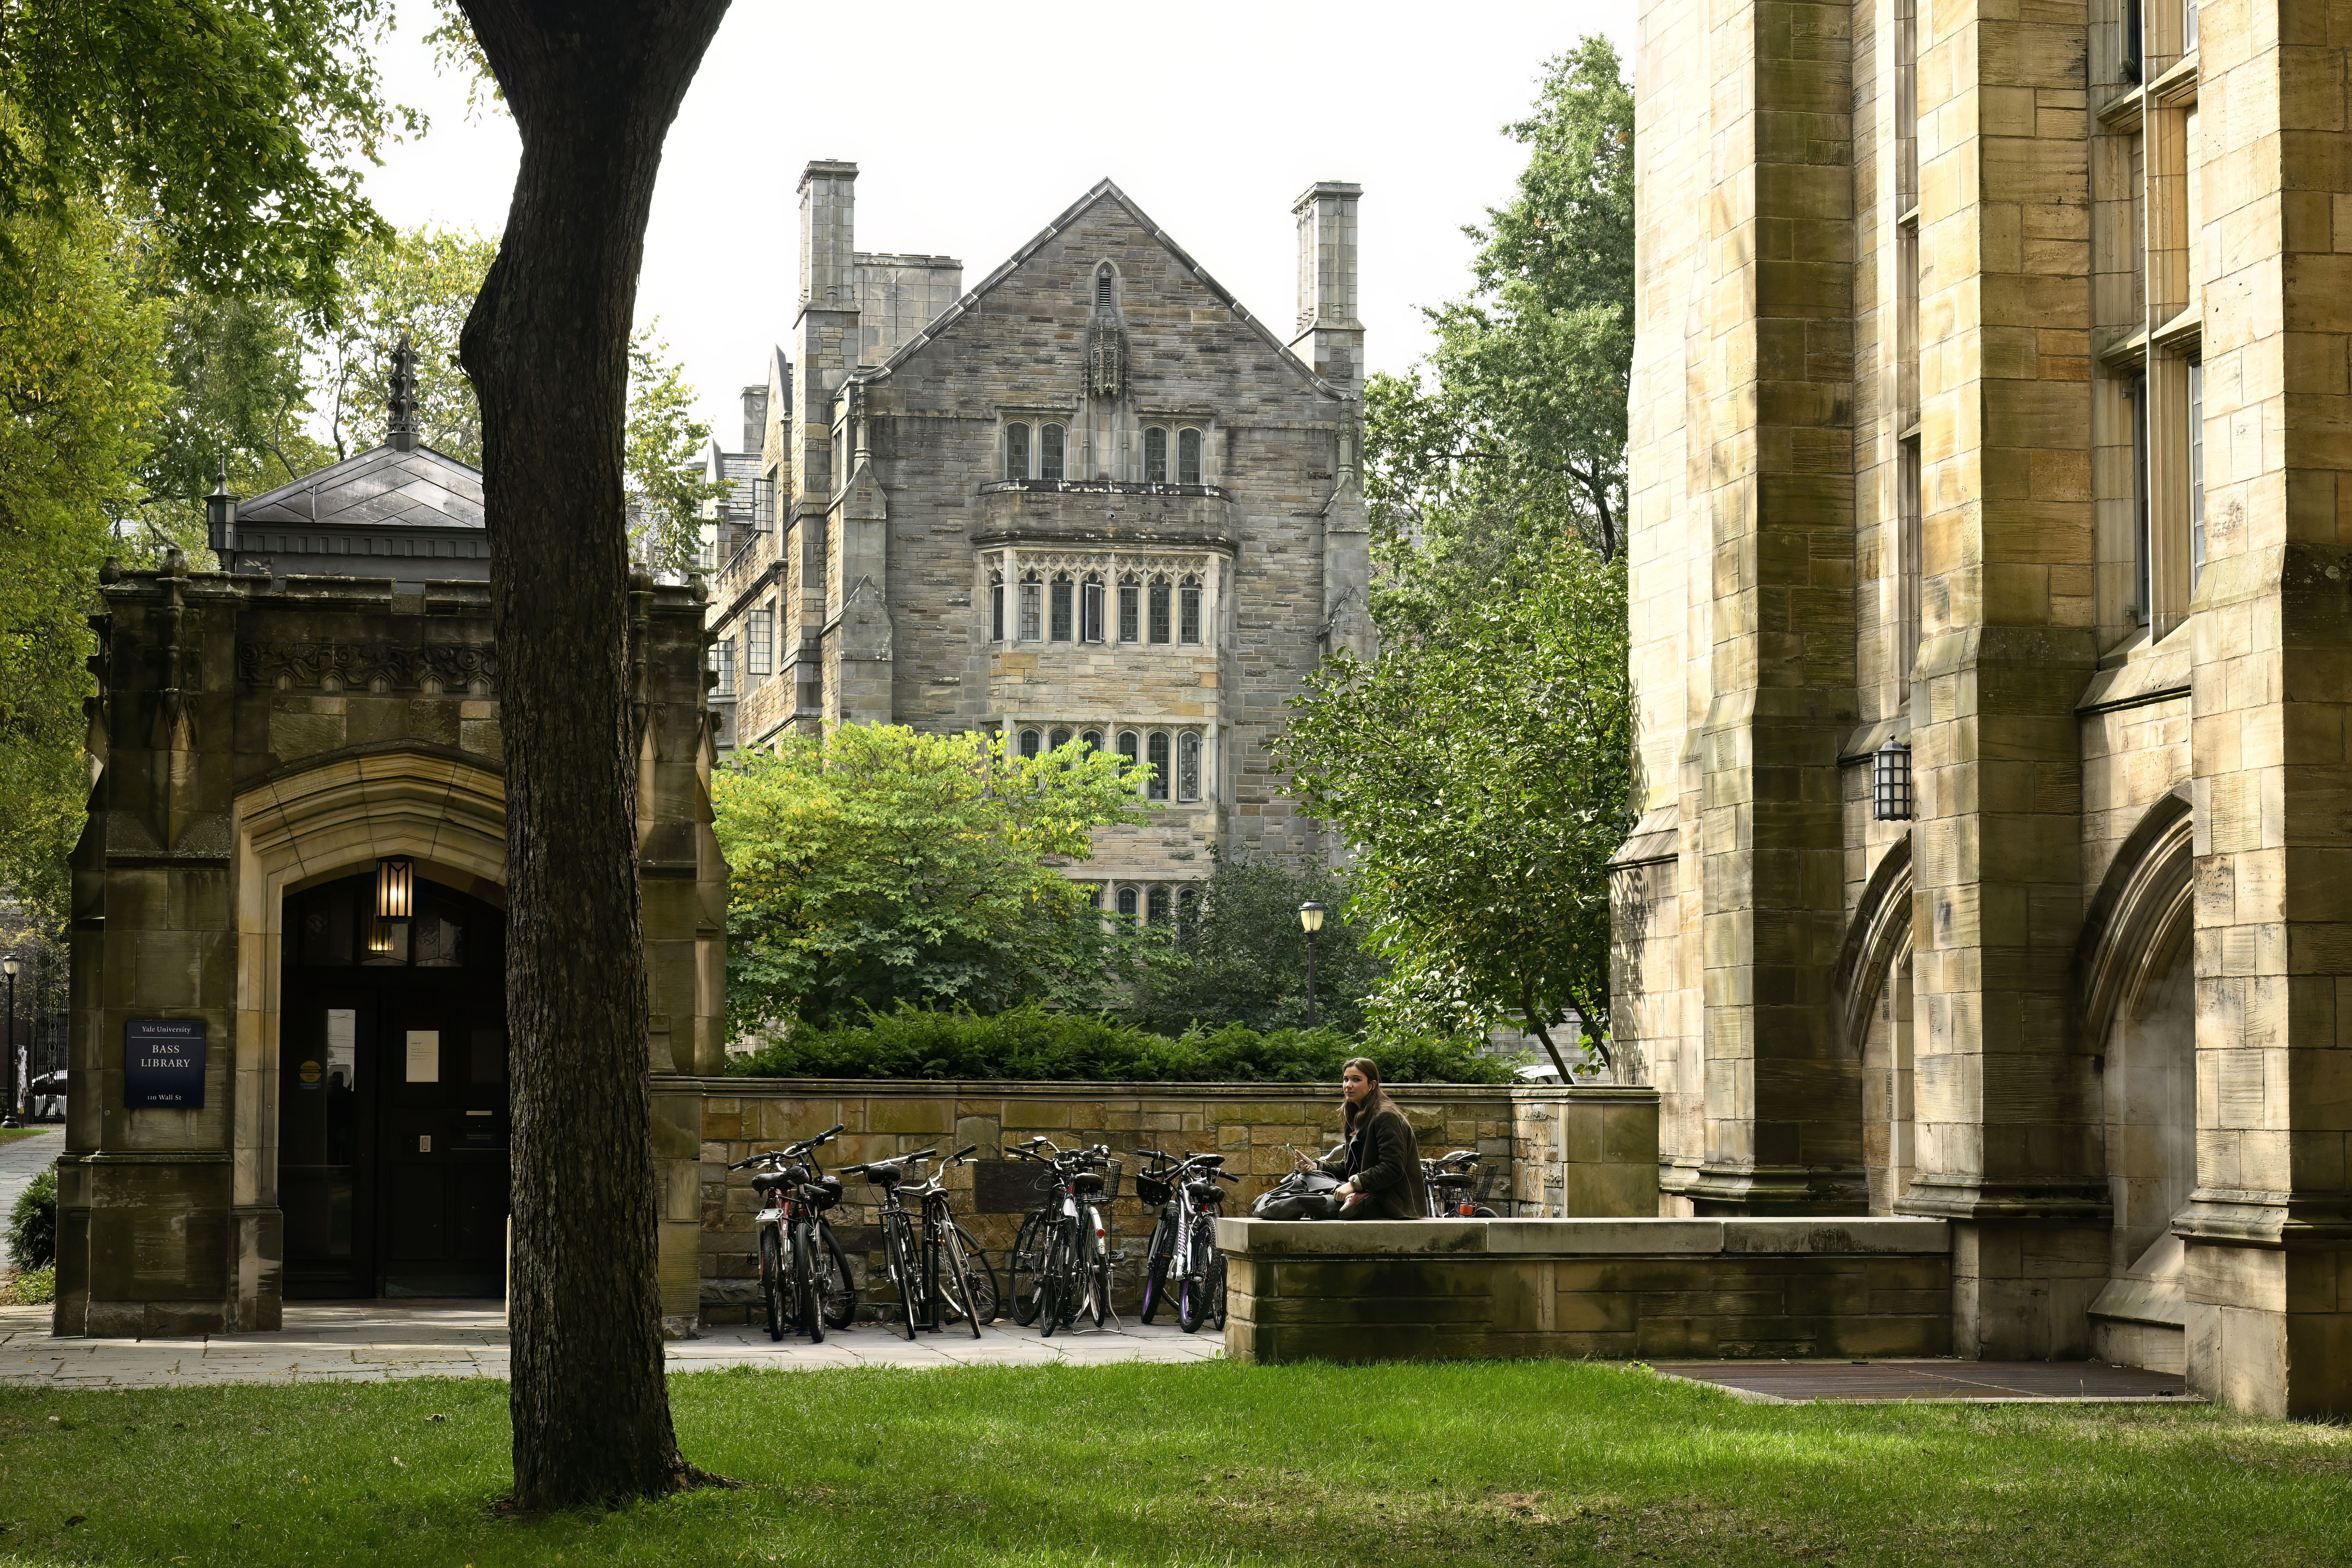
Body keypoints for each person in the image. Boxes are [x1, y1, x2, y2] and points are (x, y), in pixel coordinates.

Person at [1291, 1057, 1426, 1220]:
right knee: (1303, 1185)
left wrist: (1354, 1185)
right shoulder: (1355, 1115)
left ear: (1372, 1085)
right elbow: (1351, 1167)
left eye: (1356, 1080)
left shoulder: (1386, 1116)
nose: (1348, 1085)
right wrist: (1317, 1166)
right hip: (1367, 1196)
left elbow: (1392, 1168)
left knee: (1307, 1204)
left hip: (1394, 1205)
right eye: (1346, 1079)